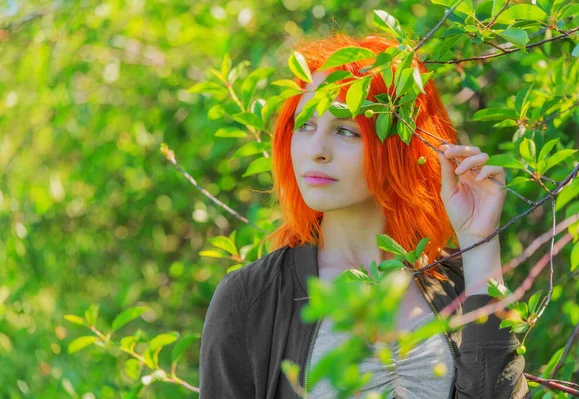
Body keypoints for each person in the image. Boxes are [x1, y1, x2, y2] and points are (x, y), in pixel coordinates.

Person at [198, 32, 529, 398]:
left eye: (345, 131)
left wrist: (479, 241)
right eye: (304, 125)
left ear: (399, 145)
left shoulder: (457, 286)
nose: (316, 151)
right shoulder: (252, 298)